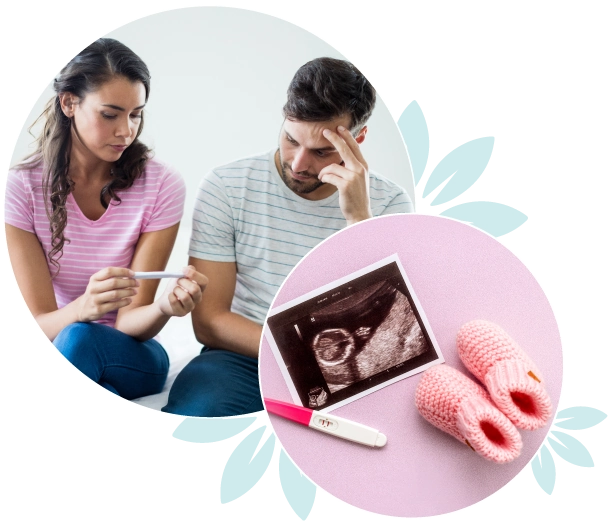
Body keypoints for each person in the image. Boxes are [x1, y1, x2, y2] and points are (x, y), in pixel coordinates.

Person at [161, 57, 414, 417]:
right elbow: (209, 322)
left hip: (352, 364)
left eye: (321, 151)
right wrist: (302, 357)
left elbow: (389, 312)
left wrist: (359, 220)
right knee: (196, 413)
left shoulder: (390, 203)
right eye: (291, 139)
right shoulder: (227, 186)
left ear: (357, 140)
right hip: (245, 358)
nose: (297, 164)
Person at [4, 38, 208, 401]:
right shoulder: (22, 186)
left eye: (136, 114)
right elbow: (41, 324)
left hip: (134, 353)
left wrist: (163, 307)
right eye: (110, 114)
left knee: (81, 338)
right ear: (69, 103)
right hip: (64, 341)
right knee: (74, 338)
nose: (126, 131)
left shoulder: (160, 184)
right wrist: (83, 307)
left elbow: (130, 322)